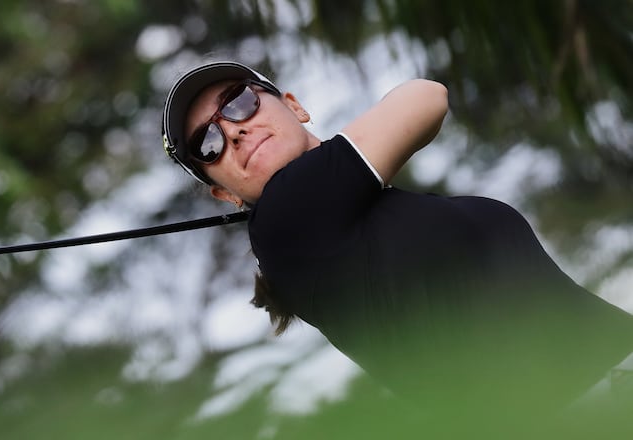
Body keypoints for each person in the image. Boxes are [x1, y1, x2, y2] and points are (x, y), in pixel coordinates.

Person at [161, 61, 633, 425]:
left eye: (240, 102)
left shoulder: (346, 220)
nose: (234, 131)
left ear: (294, 104)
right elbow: (425, 97)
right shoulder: (286, 216)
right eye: (208, 144)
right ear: (223, 192)